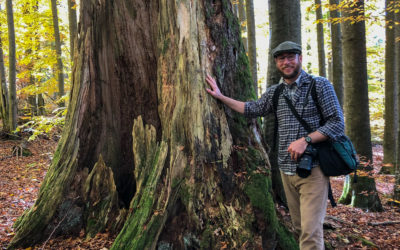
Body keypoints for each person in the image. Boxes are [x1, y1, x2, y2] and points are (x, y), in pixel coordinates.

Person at [205, 41, 344, 250]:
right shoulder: (275, 92)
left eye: (291, 57)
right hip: (286, 171)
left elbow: (337, 123)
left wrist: (305, 140)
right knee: (298, 228)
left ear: (300, 59)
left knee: (310, 233)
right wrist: (220, 96)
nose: (286, 62)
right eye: (281, 58)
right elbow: (250, 109)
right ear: (276, 63)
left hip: (314, 170)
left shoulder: (319, 85)